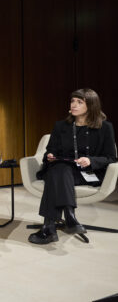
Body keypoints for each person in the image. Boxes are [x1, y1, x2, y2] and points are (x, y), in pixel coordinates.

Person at [29, 88, 116, 244]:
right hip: (62, 169)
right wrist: (49, 156)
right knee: (60, 169)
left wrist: (91, 160)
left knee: (56, 174)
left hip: (87, 173)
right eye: (72, 101)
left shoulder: (105, 128)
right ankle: (70, 217)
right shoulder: (61, 126)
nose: (74, 105)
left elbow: (111, 157)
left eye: (79, 102)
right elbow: (50, 150)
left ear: (91, 105)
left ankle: (49, 228)